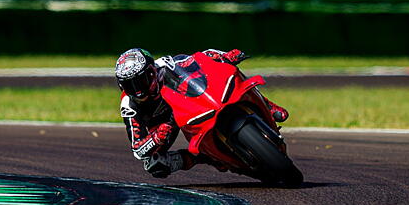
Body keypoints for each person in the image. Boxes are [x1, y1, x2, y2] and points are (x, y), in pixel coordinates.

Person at [115, 47, 289, 179]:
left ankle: (266, 104)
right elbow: (137, 149)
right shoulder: (129, 104)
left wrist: (225, 56)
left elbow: (201, 57)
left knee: (230, 69)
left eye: (141, 81)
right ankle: (207, 158)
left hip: (187, 104)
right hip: (166, 125)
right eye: (131, 85)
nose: (138, 90)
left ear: (152, 70)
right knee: (154, 164)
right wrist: (157, 137)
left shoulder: (166, 66)